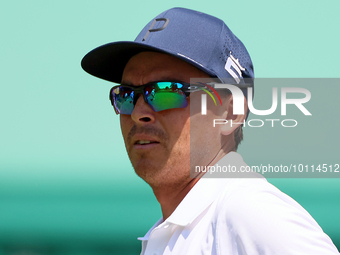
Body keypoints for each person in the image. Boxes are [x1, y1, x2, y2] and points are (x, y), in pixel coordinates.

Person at [81, 7, 339, 255]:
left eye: (166, 91)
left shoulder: (250, 213)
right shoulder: (180, 229)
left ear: (231, 113)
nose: (138, 112)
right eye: (126, 95)